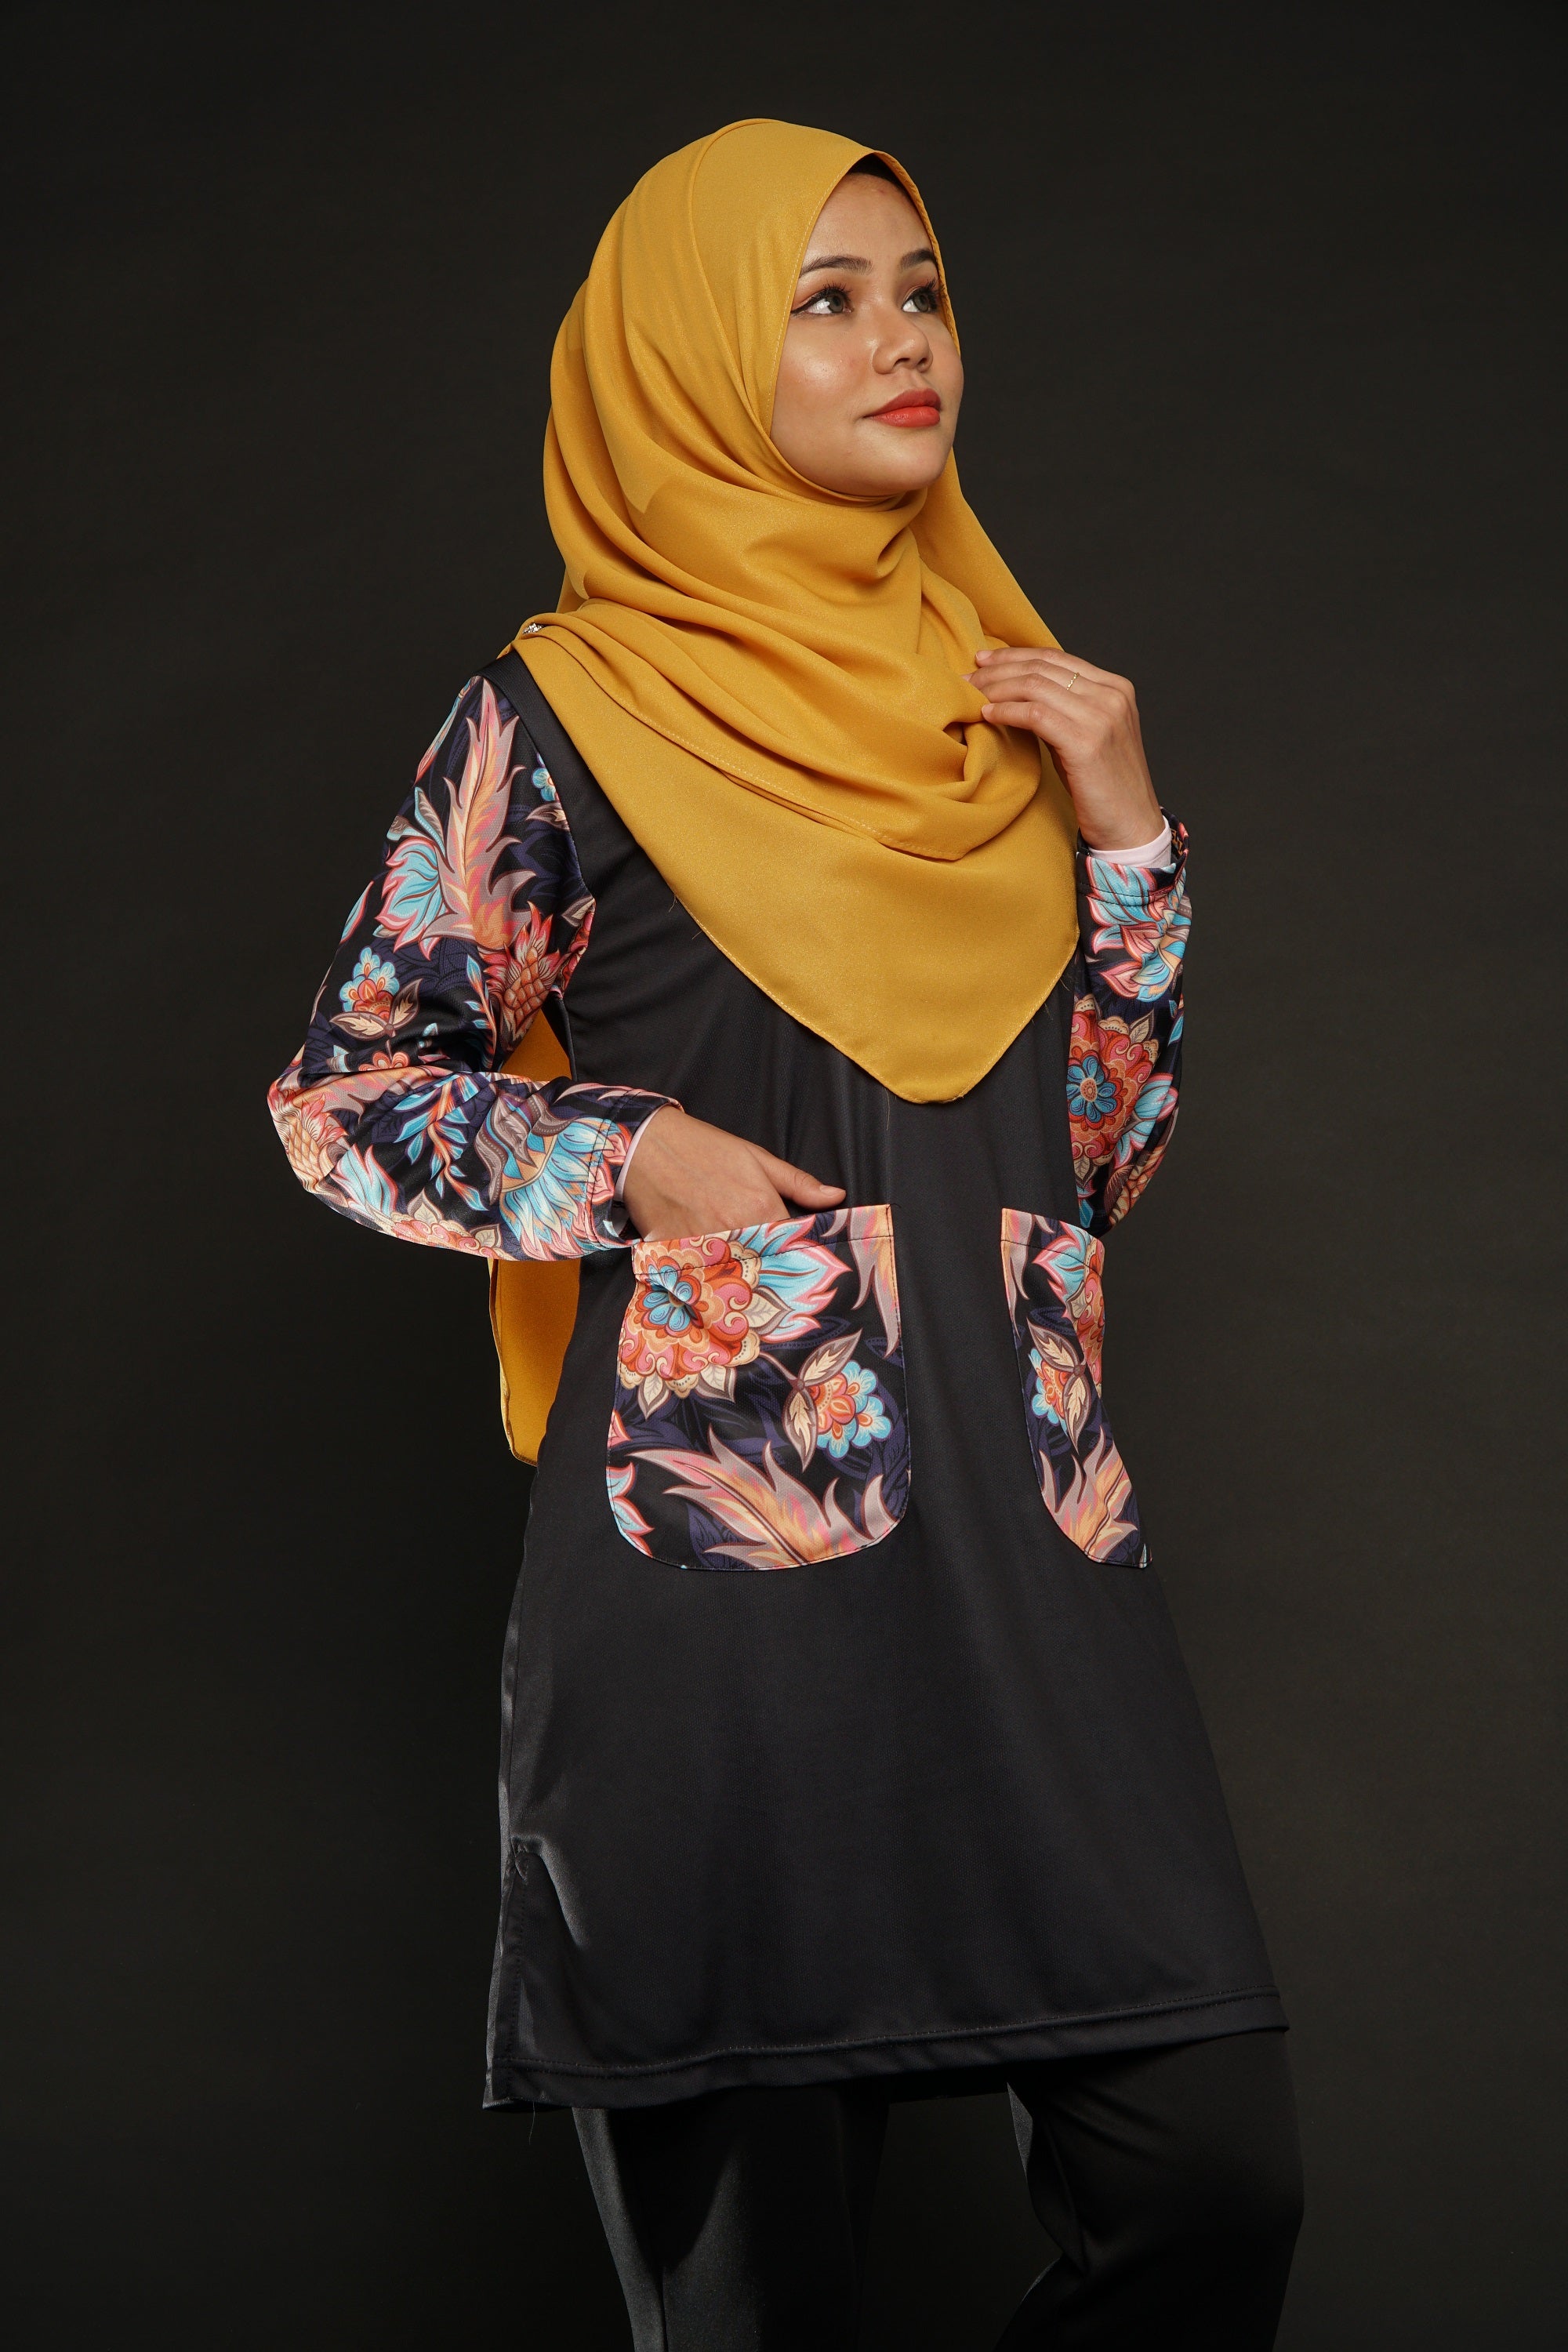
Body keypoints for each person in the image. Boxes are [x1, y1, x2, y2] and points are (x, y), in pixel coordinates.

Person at [270, 119, 1302, 2350]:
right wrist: (624, 1152)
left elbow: (1089, 1168)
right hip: (727, 1590)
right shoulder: (565, 716)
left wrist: (1133, 850)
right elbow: (344, 1096)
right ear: (687, 357)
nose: (901, 339)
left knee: (1211, 2183)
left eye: (920, 290)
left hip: (1039, 1563)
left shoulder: (1013, 710)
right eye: (822, 301)